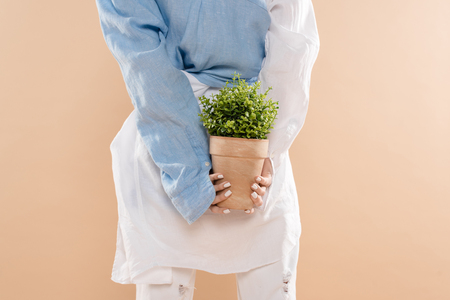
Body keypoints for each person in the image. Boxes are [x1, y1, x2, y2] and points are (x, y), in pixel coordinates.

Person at [95, 0, 319, 299]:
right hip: (252, 131)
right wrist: (262, 148)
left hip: (167, 142)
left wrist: (188, 174)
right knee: (269, 283)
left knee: (166, 288)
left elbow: (145, 64)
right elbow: (293, 49)